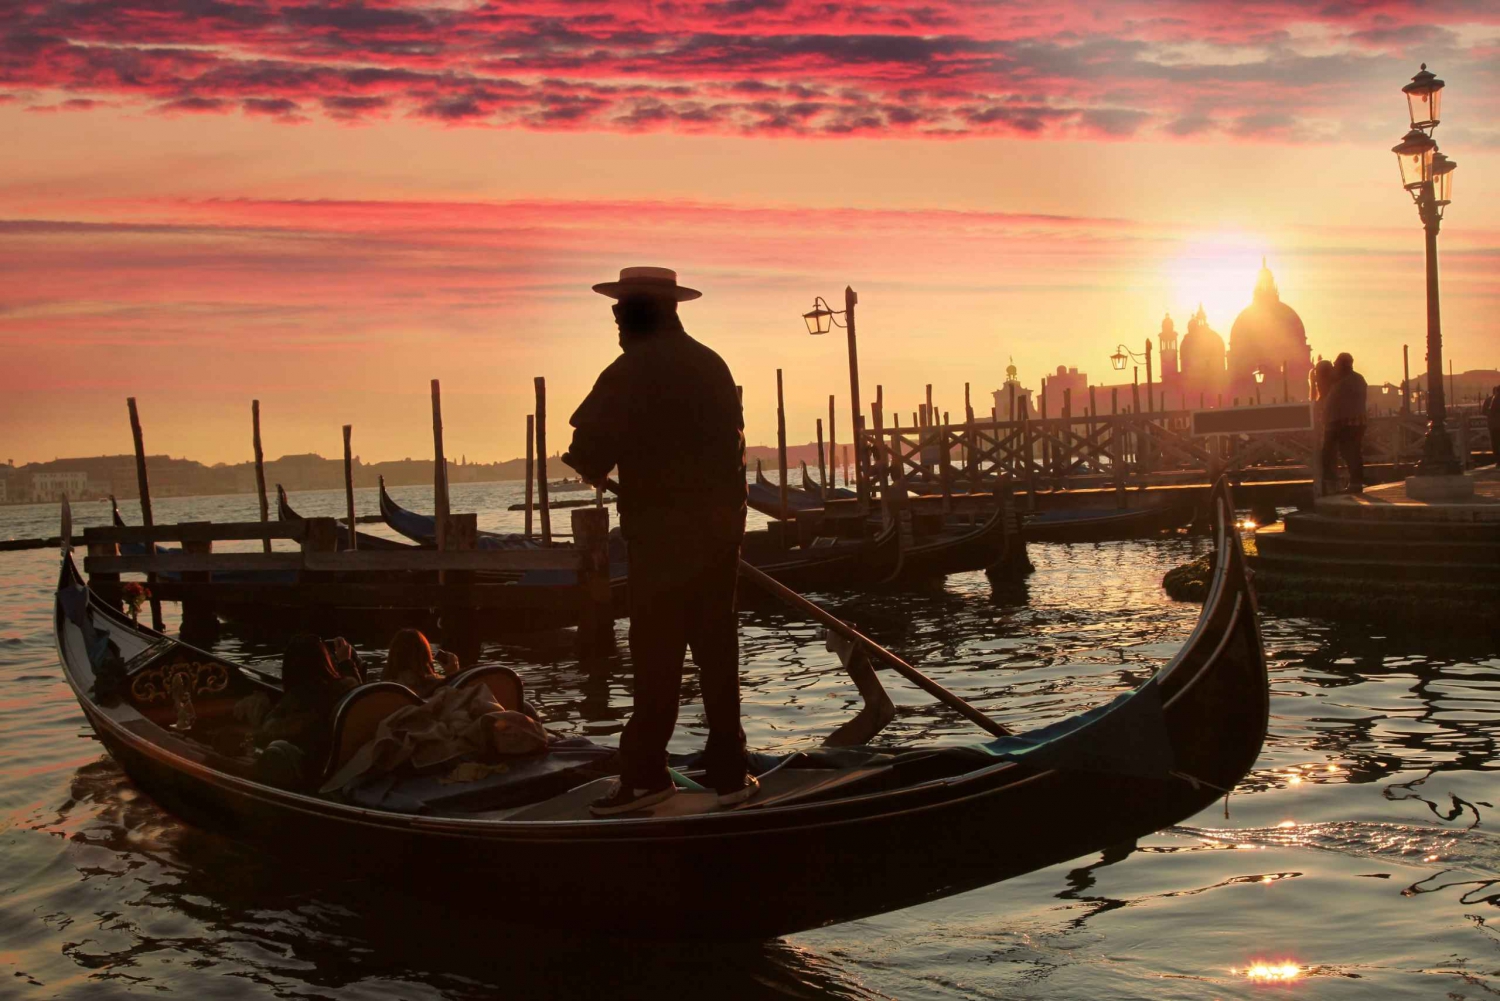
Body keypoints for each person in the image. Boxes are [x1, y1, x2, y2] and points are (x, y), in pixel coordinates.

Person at [562, 266, 754, 816]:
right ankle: (729, 771)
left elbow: (590, 452)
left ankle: (645, 776)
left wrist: (594, 463)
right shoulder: (713, 365)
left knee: (656, 656)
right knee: (717, 652)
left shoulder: (629, 370)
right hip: (721, 534)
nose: (616, 321)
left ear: (641, 312)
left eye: (621, 311)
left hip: (662, 539)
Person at [252, 633, 360, 788]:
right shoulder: (348, 688)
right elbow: (356, 687)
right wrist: (346, 661)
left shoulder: (297, 701)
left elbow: (267, 731)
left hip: (315, 774)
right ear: (325, 661)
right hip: (345, 767)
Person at [1321, 352, 1368, 494]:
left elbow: (1343, 403)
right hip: (1347, 422)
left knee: (1349, 452)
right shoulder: (1354, 379)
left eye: (1336, 364)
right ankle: (1351, 482)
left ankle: (1351, 483)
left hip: (1348, 423)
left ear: (1344, 365)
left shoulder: (1348, 381)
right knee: (1348, 452)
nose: (1335, 366)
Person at [384, 628, 459, 698]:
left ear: (393, 656)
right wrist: (452, 675)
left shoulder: (385, 689)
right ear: (426, 656)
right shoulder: (437, 685)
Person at [1483, 385, 1500, 466]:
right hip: (1496, 424)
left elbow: (1484, 412)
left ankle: (1498, 461)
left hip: (1494, 425)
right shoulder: (1494, 399)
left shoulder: (1490, 399)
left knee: (1495, 442)